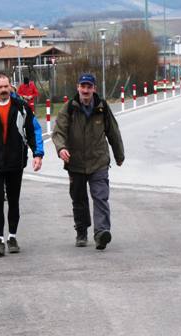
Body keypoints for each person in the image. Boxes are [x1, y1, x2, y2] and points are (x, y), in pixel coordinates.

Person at [0, 72, 44, 256]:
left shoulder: (21, 107)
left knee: (13, 201)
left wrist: (38, 154)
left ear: (11, 87)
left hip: (15, 162)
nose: (4, 90)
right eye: (0, 87)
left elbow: (33, 129)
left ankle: (12, 237)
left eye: (6, 87)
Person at [52, 73, 124, 250]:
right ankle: (81, 232)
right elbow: (59, 131)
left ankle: (101, 233)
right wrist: (61, 148)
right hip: (75, 162)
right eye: (83, 86)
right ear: (78, 87)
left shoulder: (102, 107)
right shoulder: (69, 108)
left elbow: (113, 132)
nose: (85, 90)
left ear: (94, 89)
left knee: (100, 197)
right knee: (79, 198)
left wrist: (119, 155)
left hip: (98, 160)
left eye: (89, 87)